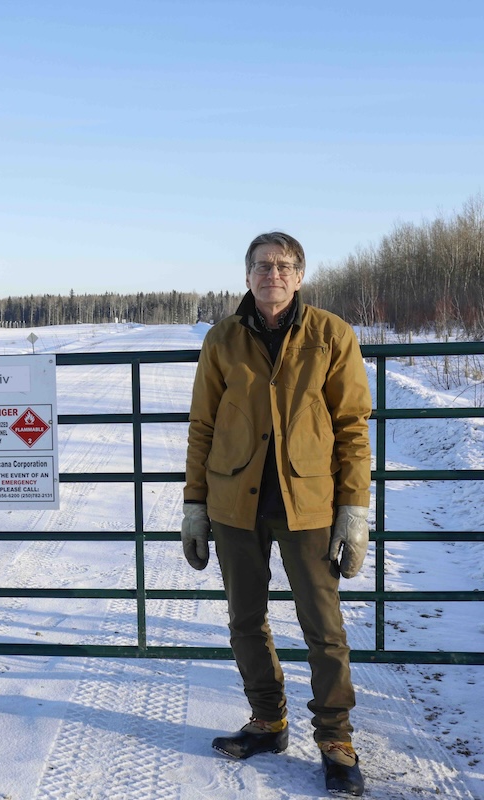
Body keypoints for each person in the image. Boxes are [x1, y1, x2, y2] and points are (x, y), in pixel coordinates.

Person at [182, 231, 372, 797]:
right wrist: (194, 505)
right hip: (234, 503)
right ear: (246, 276)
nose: (273, 274)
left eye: (284, 266)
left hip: (309, 504)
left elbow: (353, 430)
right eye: (262, 265)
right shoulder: (223, 339)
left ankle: (335, 738)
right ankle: (269, 720)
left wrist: (354, 509)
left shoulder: (331, 335)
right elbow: (203, 427)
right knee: (245, 620)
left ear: (300, 276)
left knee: (323, 627)